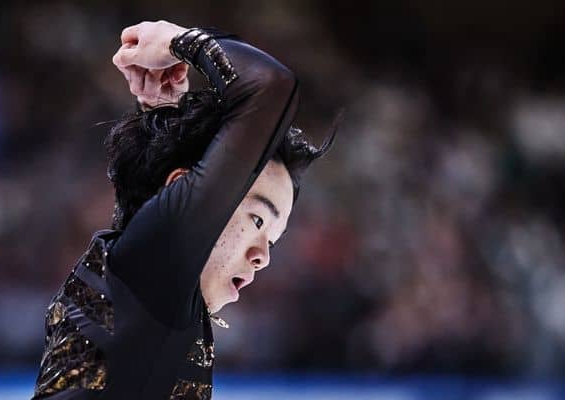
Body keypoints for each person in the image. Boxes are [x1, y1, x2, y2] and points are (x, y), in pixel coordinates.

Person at [31, 20, 336, 399]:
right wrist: (177, 41)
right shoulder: (151, 272)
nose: (263, 257)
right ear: (179, 190)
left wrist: (161, 121)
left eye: (272, 240)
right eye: (258, 219)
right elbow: (271, 86)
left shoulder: (131, 286)